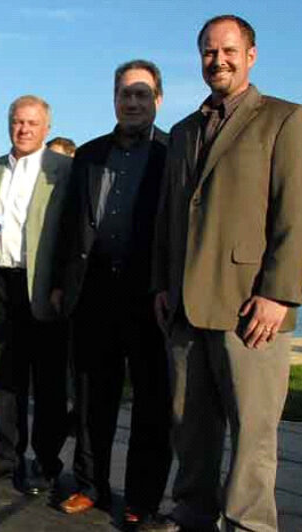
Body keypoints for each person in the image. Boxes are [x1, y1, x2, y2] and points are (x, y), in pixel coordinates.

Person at [153, 15, 302, 531]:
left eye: (228, 50)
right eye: (208, 51)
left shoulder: (286, 120)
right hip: (184, 307)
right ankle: (193, 516)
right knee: (191, 429)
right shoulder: (183, 131)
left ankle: (249, 525)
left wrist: (278, 295)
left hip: (251, 308)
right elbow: (169, 216)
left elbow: (300, 213)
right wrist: (162, 284)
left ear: (251, 55)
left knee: (252, 434)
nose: (217, 60)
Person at [51, 60, 173, 529]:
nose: (133, 102)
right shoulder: (88, 154)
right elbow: (69, 224)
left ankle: (142, 498)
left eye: (143, 94)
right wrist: (62, 283)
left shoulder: (173, 151)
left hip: (150, 295)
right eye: (126, 94)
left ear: (157, 99)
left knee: (151, 405)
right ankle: (89, 485)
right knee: (90, 401)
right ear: (114, 98)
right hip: (93, 292)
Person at [0, 95, 71, 495]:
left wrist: (63, 285)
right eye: (17, 121)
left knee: (47, 382)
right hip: (1, 283)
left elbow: (73, 233)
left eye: (32, 123)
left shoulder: (64, 169)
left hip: (44, 286)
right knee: (6, 376)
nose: (24, 129)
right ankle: (5, 456)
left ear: (46, 127)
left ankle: (46, 463)